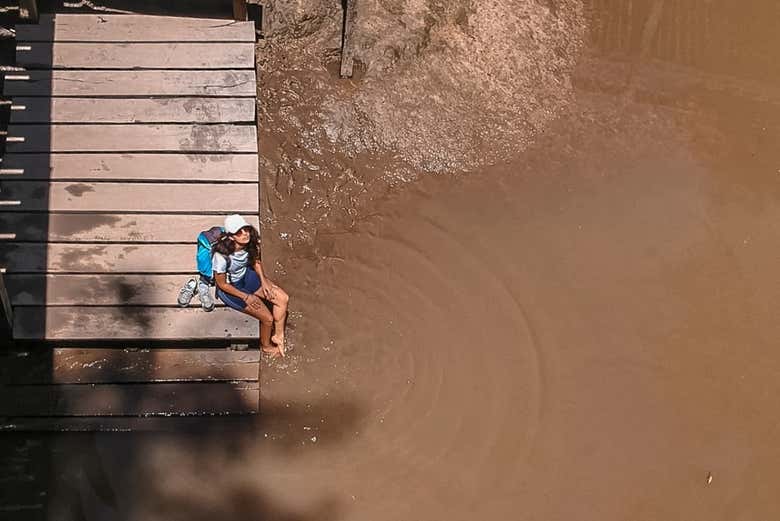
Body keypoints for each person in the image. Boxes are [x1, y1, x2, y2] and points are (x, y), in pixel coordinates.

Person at [212, 214, 289, 357]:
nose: (244, 234)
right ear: (231, 237)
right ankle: (266, 346)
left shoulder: (250, 242)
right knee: (267, 319)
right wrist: (246, 297)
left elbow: (256, 261)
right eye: (238, 232)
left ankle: (278, 336)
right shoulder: (221, 256)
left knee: (282, 299)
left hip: (246, 276)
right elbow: (222, 284)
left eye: (245, 229)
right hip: (231, 288)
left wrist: (264, 281)